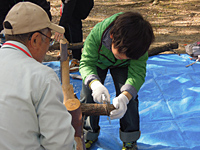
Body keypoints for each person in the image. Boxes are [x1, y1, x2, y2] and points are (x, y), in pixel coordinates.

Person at [0, 2, 76, 150]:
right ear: (35, 40)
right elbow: (60, 144)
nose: (48, 47)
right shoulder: (42, 77)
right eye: (48, 39)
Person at [79, 12, 155, 150]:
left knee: (131, 98)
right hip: (98, 63)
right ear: (112, 36)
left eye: (128, 56)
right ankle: (88, 133)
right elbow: (86, 63)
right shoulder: (98, 33)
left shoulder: (139, 44)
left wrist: (125, 96)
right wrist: (95, 84)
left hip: (124, 69)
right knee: (87, 94)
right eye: (121, 54)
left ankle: (130, 139)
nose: (123, 57)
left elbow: (137, 73)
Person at [55, 0, 94, 72]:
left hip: (81, 4)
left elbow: (69, 6)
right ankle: (69, 50)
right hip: (71, 4)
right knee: (68, 20)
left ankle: (77, 58)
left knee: (72, 20)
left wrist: (60, 27)